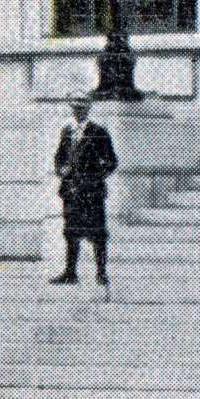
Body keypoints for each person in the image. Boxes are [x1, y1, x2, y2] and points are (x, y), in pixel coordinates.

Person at [52, 96, 118, 286]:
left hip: (91, 193)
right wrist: (61, 170)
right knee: (71, 232)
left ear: (88, 110)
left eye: (82, 108)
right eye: (75, 108)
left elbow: (112, 161)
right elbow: (58, 158)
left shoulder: (98, 132)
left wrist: (95, 178)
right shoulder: (67, 131)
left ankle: (101, 273)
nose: (78, 112)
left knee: (97, 232)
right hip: (71, 191)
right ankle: (70, 273)